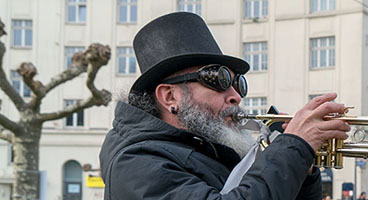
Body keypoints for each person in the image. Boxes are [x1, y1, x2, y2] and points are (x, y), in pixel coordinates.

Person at [99, 12, 350, 199]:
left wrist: (301, 169)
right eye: (217, 79)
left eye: (238, 83)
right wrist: (294, 147)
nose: (235, 96)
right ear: (170, 97)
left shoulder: (212, 149)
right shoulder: (135, 162)